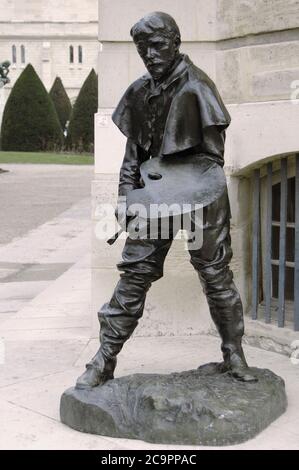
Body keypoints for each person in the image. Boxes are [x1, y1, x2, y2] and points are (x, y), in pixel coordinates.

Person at [76, 11, 256, 389]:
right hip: (154, 195)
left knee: (215, 276)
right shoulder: (139, 91)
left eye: (157, 45)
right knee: (134, 274)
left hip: (200, 197)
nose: (150, 55)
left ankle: (233, 353)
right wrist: (127, 197)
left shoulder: (198, 88)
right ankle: (104, 358)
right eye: (143, 48)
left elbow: (211, 162)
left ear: (175, 42)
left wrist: (170, 187)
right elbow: (132, 157)